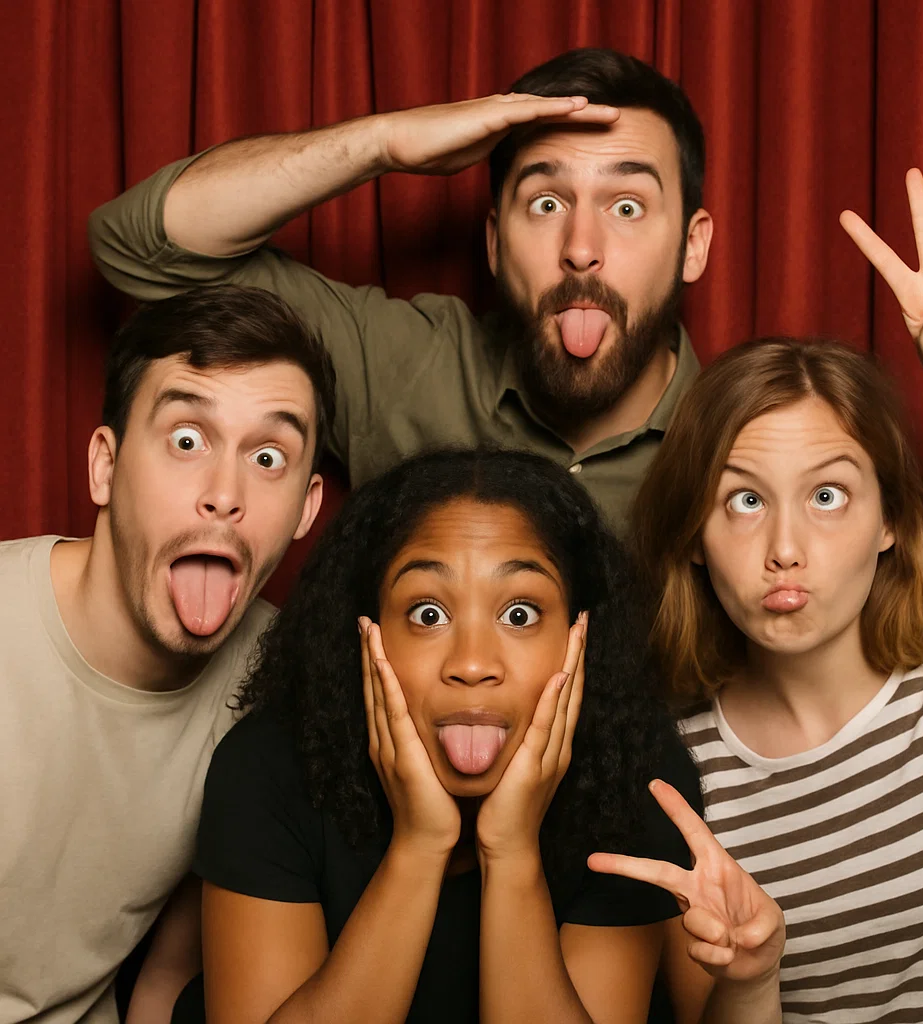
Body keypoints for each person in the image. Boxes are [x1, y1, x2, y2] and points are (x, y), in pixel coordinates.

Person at [606, 169, 923, 1022]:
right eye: (743, 501)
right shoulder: (677, 773)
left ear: (890, 520)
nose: (785, 549)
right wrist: (751, 979)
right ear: (693, 537)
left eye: (828, 495)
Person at [169, 448, 782, 1024]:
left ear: (580, 637)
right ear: (366, 632)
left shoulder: (633, 776)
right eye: (428, 614)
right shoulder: (267, 768)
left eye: (519, 614)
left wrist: (510, 853)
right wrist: (420, 845)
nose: (471, 663)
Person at [87, 48, 714, 534]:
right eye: (546, 203)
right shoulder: (408, 365)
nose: (580, 247)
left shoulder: (736, 445)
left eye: (627, 207)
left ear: (692, 246)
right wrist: (382, 143)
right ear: (494, 243)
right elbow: (142, 249)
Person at [0, 285, 333, 1024]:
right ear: (105, 466)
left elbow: (168, 979)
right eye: (187, 440)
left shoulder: (277, 681)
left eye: (268, 457)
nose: (224, 494)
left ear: (307, 509)